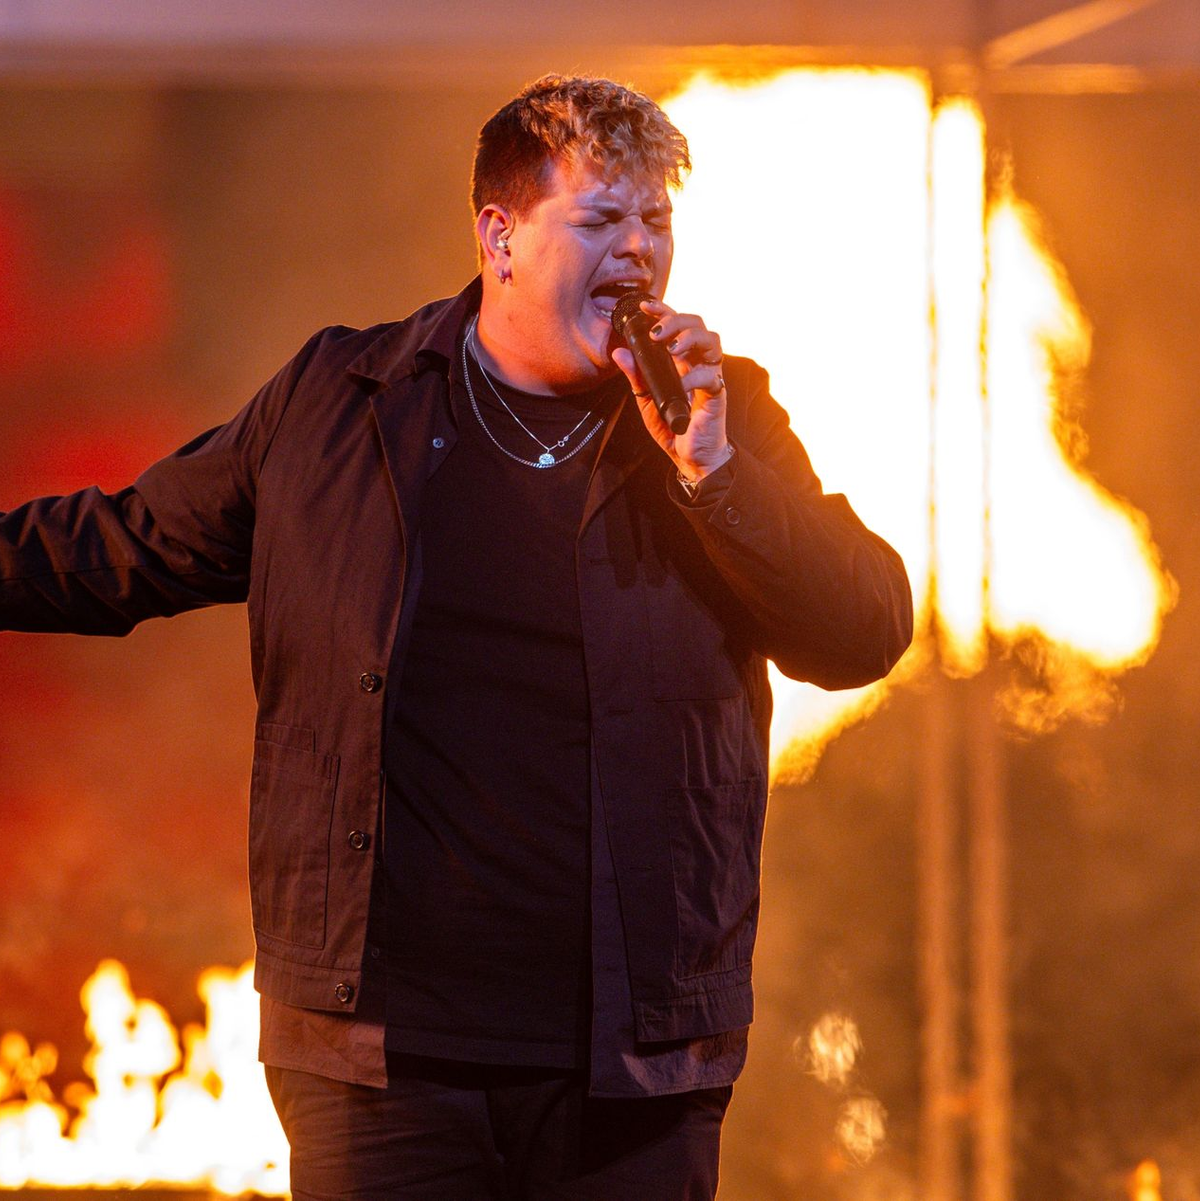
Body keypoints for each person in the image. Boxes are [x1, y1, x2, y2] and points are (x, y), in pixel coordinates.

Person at [0, 75, 912, 1199]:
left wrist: (714, 474)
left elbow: (864, 630)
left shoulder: (724, 418)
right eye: (600, 219)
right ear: (500, 236)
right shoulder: (342, 401)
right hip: (380, 1061)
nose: (638, 249)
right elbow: (123, 543)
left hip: (632, 1066)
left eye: (656, 220)